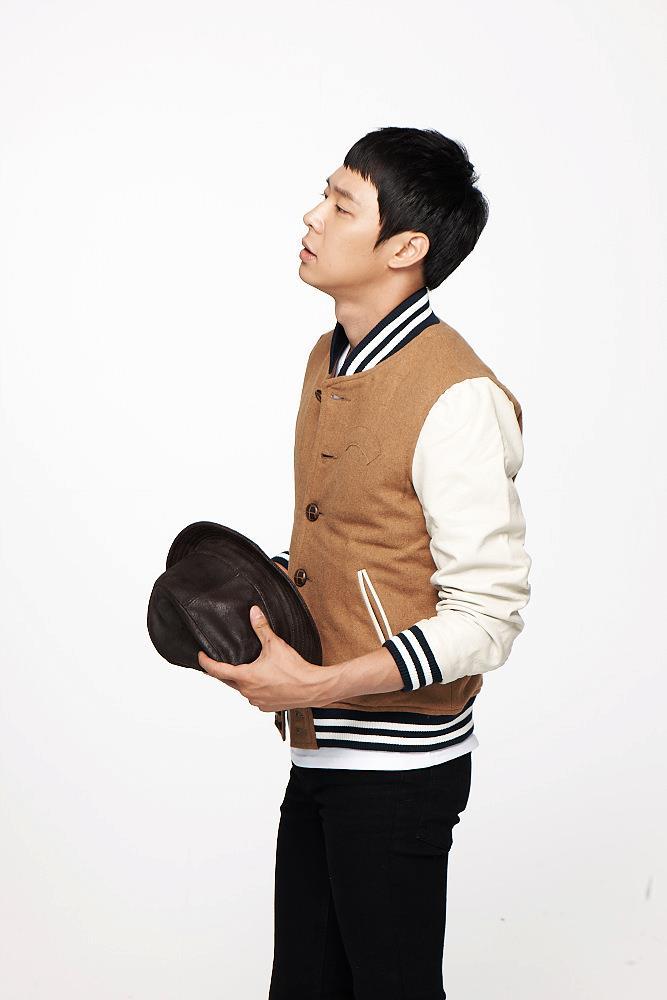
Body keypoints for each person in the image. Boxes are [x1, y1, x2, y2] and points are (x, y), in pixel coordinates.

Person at [199, 125, 531, 999]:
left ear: (405, 248)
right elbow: (352, 543)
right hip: (318, 756)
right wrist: (246, 599)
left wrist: (315, 683)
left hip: (398, 774)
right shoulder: (330, 353)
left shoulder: (458, 397)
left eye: (342, 204)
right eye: (325, 194)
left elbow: (486, 620)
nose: (312, 216)